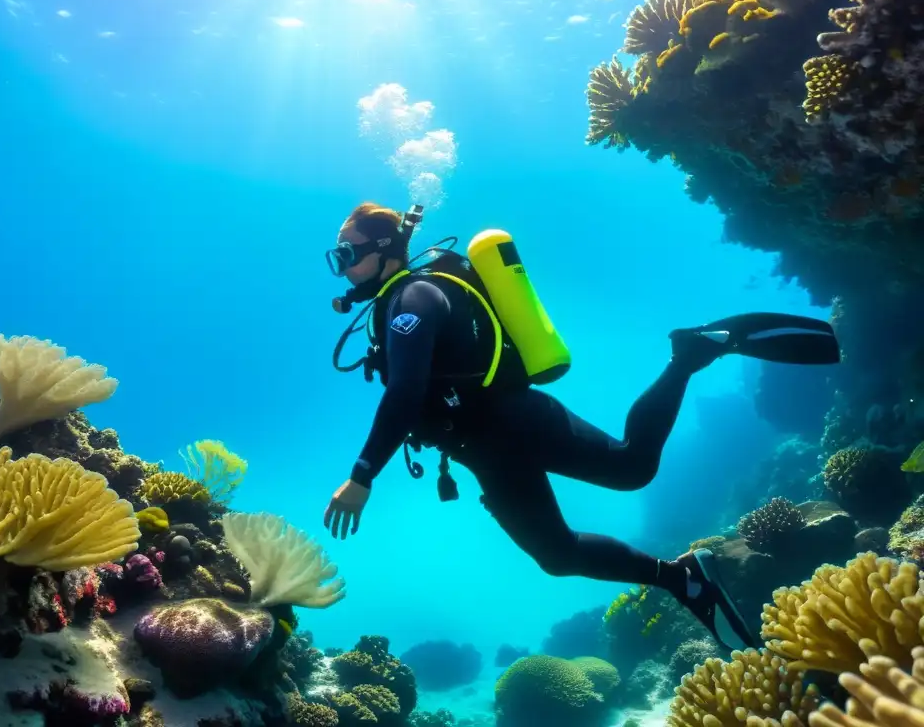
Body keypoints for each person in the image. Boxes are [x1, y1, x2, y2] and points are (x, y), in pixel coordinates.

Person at [322, 202, 840, 651]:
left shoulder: (413, 298)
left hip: (515, 419)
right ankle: (682, 578)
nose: (341, 266)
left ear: (386, 246)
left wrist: (363, 475)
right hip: (481, 450)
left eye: (347, 253)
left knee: (632, 467)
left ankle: (690, 353)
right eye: (337, 255)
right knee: (556, 555)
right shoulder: (391, 306)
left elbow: (406, 392)